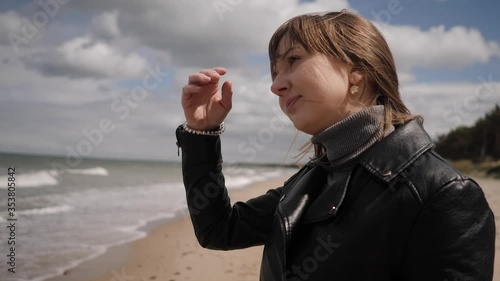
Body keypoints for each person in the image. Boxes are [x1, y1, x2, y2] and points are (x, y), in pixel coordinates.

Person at [175, 10, 495, 281]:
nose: (275, 85)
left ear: (357, 71)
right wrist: (203, 133)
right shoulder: (313, 179)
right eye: (274, 71)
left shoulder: (442, 193)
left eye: (294, 60)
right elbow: (219, 230)